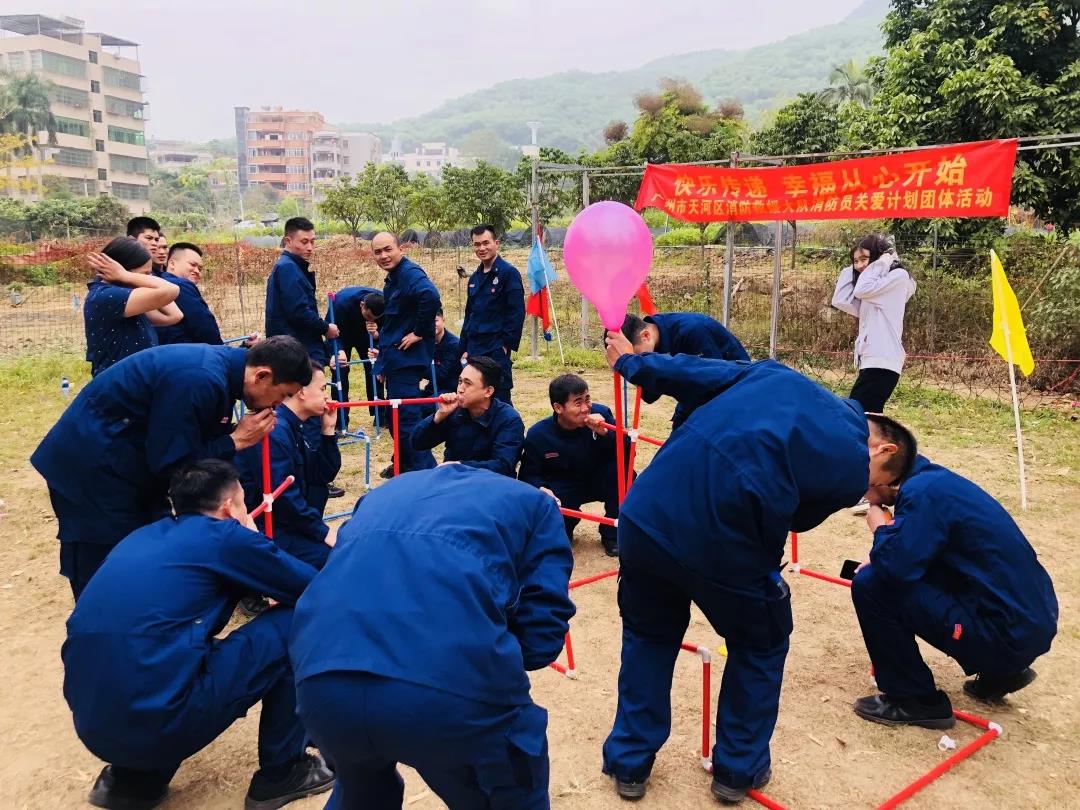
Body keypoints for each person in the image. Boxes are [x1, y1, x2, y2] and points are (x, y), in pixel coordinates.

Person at [599, 329, 903, 803]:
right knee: (760, 644)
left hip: (648, 514)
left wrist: (632, 366)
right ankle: (736, 772)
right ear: (882, 450)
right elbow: (798, 519)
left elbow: (692, 371)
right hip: (726, 540)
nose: (868, 494)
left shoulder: (773, 374)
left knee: (647, 635)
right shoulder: (851, 464)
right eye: (879, 486)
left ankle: (630, 762)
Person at [289, 465, 575, 810]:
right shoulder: (537, 504)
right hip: (450, 692)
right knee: (510, 785)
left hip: (322, 679)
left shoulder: (380, 496)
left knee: (360, 790)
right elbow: (542, 638)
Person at [62, 460, 334, 810]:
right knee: (295, 623)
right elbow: (316, 592)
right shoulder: (227, 538)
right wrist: (252, 539)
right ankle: (283, 773)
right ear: (228, 507)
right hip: (159, 720)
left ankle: (134, 779)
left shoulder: (144, 535)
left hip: (93, 723)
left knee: (155, 652)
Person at [30, 336, 313, 598]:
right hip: (92, 468)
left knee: (145, 550)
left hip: (127, 464)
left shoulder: (221, 376)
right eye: (282, 394)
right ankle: (102, 632)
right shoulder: (199, 380)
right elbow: (176, 466)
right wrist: (235, 441)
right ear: (261, 375)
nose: (278, 405)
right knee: (108, 560)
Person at [850, 450, 1057, 728]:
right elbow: (922, 554)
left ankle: (915, 700)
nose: (863, 499)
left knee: (871, 584)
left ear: (882, 479)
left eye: (863, 490)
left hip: (1003, 635)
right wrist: (886, 551)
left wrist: (880, 530)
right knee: (897, 570)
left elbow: (892, 570)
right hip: (1028, 623)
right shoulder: (937, 483)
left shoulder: (921, 495)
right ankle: (1004, 672)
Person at [236, 361, 341, 570]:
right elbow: (283, 497)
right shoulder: (274, 429)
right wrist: (323, 532)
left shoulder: (292, 426)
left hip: (288, 524)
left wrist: (328, 432)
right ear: (301, 392)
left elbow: (322, 475)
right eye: (322, 389)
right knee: (335, 562)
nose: (326, 396)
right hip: (267, 529)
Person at [519, 373, 628, 557]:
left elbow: (627, 452)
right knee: (554, 515)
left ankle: (612, 534)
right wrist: (540, 488)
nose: (586, 408)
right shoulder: (539, 434)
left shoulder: (602, 415)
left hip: (598, 477)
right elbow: (528, 474)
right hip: (564, 485)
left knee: (623, 475)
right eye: (578, 403)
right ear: (558, 407)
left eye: (587, 399)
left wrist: (605, 434)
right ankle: (564, 529)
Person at [371, 231, 441, 475]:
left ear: (400, 248)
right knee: (396, 419)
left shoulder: (410, 273)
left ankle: (428, 472)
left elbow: (430, 296)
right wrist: (382, 364)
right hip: (396, 360)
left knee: (406, 422)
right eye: (378, 252)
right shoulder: (393, 278)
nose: (383, 255)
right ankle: (406, 467)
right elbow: (393, 325)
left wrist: (420, 332)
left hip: (407, 362)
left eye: (388, 249)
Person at [620, 312, 750, 430]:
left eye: (635, 357)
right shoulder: (654, 341)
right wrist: (628, 367)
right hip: (692, 400)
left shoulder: (693, 331)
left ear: (646, 336)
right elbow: (650, 395)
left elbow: (712, 384)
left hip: (732, 395)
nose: (637, 362)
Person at [831, 234, 916, 414]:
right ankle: (880, 442)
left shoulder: (898, 277)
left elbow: (861, 289)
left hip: (883, 360)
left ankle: (881, 442)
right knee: (868, 416)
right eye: (855, 261)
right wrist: (855, 268)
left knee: (857, 415)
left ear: (878, 257)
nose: (860, 265)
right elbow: (840, 299)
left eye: (864, 259)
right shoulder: (872, 291)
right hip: (872, 359)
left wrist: (884, 261)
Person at [411, 356, 525, 478]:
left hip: (491, 487)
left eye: (468, 383)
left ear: (488, 391)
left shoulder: (509, 420)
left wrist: (459, 466)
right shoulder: (455, 411)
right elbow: (417, 443)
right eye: (460, 381)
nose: (460, 389)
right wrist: (439, 416)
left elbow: (503, 466)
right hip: (454, 483)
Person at [83, 237, 182, 377]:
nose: (150, 278)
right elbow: (172, 290)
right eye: (145, 274)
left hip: (133, 382)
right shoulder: (107, 297)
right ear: (121, 271)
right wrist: (126, 275)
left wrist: (130, 277)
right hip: (118, 384)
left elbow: (173, 315)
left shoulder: (128, 301)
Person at [458, 224, 525, 404]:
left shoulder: (508, 274)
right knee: (475, 397)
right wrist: (463, 347)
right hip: (474, 347)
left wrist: (505, 346)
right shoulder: (474, 278)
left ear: (496, 243)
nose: (482, 248)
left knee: (499, 396)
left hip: (495, 348)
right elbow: (469, 315)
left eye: (486, 243)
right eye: (477, 244)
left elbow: (516, 312)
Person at [265, 217, 339, 366]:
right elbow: (298, 311)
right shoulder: (288, 268)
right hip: (296, 349)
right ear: (288, 241)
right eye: (304, 242)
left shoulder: (293, 266)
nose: (310, 247)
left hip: (294, 346)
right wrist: (326, 328)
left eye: (313, 241)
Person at [328, 284, 385, 427]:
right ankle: (341, 420)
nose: (370, 320)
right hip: (341, 333)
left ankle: (380, 415)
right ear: (362, 305)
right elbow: (328, 328)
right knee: (340, 370)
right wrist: (338, 350)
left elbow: (389, 330)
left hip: (367, 335)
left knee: (374, 367)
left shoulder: (384, 303)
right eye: (368, 316)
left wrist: (378, 337)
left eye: (374, 318)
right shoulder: (340, 302)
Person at [156, 242, 224, 346]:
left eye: (200, 269)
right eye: (192, 265)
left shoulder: (159, 282)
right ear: (172, 264)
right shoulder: (181, 285)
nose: (197, 271)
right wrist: (221, 352)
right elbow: (205, 327)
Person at [432, 306, 461, 394]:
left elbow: (442, 374)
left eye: (436, 321)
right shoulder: (426, 342)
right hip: (433, 386)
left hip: (450, 389)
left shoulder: (454, 344)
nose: (432, 325)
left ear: (443, 320)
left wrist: (419, 368)